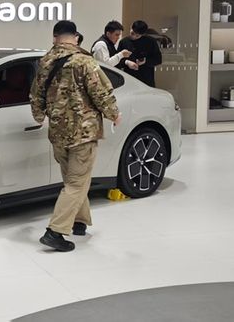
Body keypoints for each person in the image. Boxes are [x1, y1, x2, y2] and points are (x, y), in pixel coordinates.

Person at [30, 20, 121, 252]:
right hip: (83, 132)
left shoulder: (45, 61)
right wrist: (113, 114)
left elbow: (36, 94)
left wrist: (39, 116)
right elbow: (101, 92)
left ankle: (79, 221)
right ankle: (55, 232)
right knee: (76, 182)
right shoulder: (84, 61)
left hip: (58, 133)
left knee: (74, 180)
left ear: (54, 37)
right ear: (76, 37)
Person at [117, 20, 163, 87]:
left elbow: (158, 60)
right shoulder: (124, 42)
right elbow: (118, 62)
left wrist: (145, 61)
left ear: (143, 34)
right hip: (129, 80)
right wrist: (127, 62)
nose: (134, 37)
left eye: (137, 35)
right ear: (131, 27)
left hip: (146, 81)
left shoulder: (151, 42)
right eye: (132, 33)